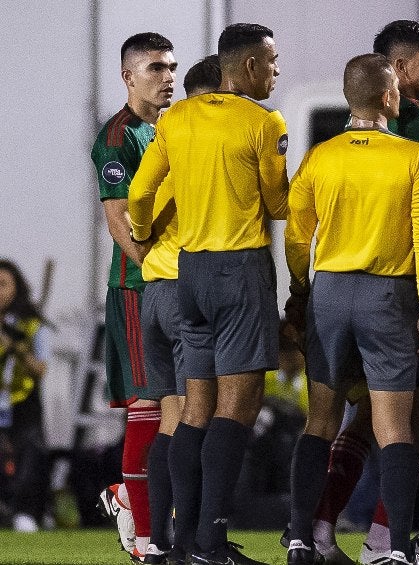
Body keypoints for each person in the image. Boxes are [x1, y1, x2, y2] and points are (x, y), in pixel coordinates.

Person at [304, 22, 419, 565]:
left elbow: (297, 223)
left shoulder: (335, 144)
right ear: (397, 73)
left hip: (333, 294)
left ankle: (317, 529)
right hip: (401, 295)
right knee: (411, 421)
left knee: (344, 418)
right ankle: (386, 540)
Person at [129, 23, 287, 565]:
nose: (275, 72)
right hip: (238, 268)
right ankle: (213, 542)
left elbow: (140, 191)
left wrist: (145, 231)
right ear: (247, 67)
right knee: (237, 410)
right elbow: (276, 201)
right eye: (270, 62)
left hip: (187, 274)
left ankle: (177, 544)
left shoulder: (175, 120)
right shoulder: (263, 122)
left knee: (193, 410)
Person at [283, 52, 419, 565]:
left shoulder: (321, 156)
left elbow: (296, 235)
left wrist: (302, 290)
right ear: (388, 97)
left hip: (328, 291)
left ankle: (302, 539)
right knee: (393, 428)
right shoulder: (412, 156)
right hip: (387, 295)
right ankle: (393, 550)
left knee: (320, 422)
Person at [90, 31, 177, 563]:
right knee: (147, 405)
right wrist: (159, 268)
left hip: (174, 285)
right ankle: (147, 538)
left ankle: (129, 496)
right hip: (139, 288)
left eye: (171, 67)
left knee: (179, 408)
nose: (167, 76)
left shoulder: (171, 126)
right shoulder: (118, 137)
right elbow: (119, 221)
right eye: (155, 68)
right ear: (128, 76)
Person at [136, 54, 221, 565]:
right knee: (198, 419)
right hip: (187, 289)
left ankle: (159, 543)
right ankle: (188, 542)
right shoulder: (202, 138)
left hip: (153, 290)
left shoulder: (162, 133)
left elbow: (139, 194)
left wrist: (143, 235)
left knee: (170, 419)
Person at [0, 259, 53, 534]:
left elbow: (40, 369)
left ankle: (27, 512)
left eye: (3, 284)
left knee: (29, 457)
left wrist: (18, 348)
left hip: (22, 404)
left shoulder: (32, 325)